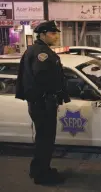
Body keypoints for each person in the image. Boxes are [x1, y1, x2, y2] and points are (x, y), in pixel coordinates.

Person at [15, 20, 70, 185]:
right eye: (53, 33)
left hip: (41, 102)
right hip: (43, 103)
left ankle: (39, 169)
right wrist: (54, 93)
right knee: (45, 139)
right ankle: (42, 175)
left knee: (43, 138)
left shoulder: (37, 50)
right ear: (43, 34)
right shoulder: (42, 53)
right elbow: (43, 78)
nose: (56, 37)